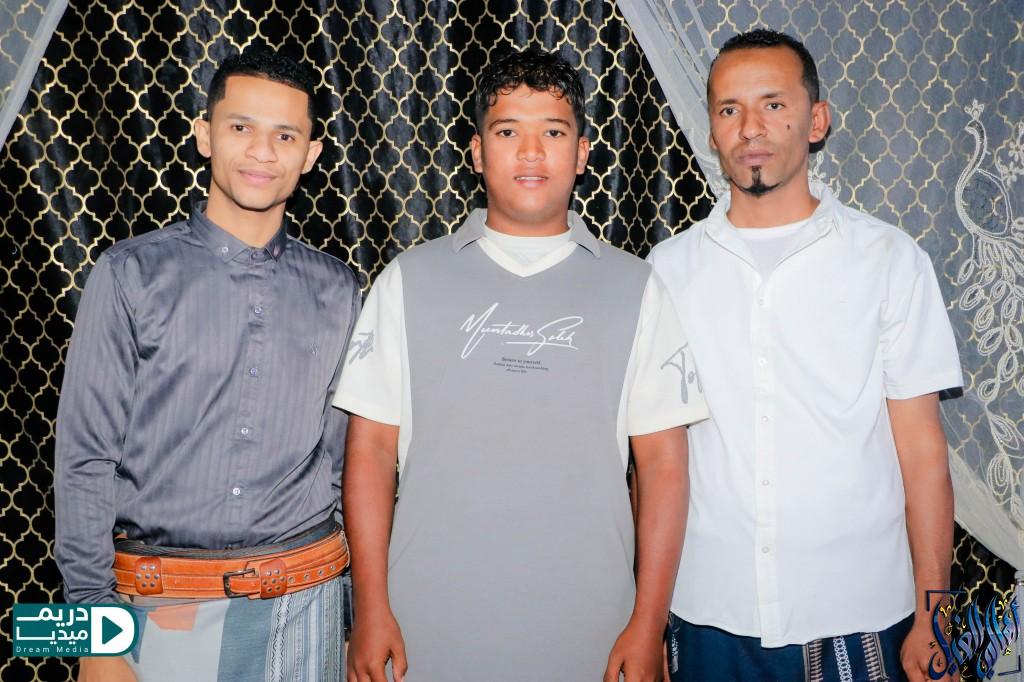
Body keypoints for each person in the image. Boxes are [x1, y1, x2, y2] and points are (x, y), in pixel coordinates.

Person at [336, 49, 708, 682]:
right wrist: (370, 609)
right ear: (477, 152)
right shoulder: (408, 279)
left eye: (553, 133)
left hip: (593, 631)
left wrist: (648, 624)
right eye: (508, 131)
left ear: (582, 153)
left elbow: (664, 468)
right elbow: (369, 452)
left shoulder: (637, 287)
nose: (531, 152)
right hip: (426, 626)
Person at [647, 28, 963, 682]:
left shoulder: (889, 260)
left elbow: (923, 451)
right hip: (708, 610)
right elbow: (654, 460)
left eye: (774, 104)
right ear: (712, 131)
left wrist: (935, 615)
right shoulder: (667, 270)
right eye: (730, 109)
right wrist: (646, 619)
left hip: (859, 609)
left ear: (817, 121)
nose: (750, 127)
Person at [55, 47, 359, 682]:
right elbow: (85, 462)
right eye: (241, 127)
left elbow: (342, 464)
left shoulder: (340, 289)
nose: (261, 152)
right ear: (204, 135)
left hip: (305, 607)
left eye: (285, 136)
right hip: (157, 608)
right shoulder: (129, 273)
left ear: (310, 155)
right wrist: (93, 637)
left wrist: (356, 611)